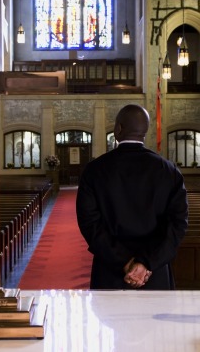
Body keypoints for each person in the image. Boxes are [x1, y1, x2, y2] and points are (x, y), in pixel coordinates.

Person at [76, 104, 188, 290]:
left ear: (118, 129)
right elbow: (178, 224)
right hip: (154, 274)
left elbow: (89, 224)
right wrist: (146, 263)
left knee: (108, 319)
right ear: (145, 131)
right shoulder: (169, 171)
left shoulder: (95, 170)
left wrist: (124, 262)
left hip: (110, 271)